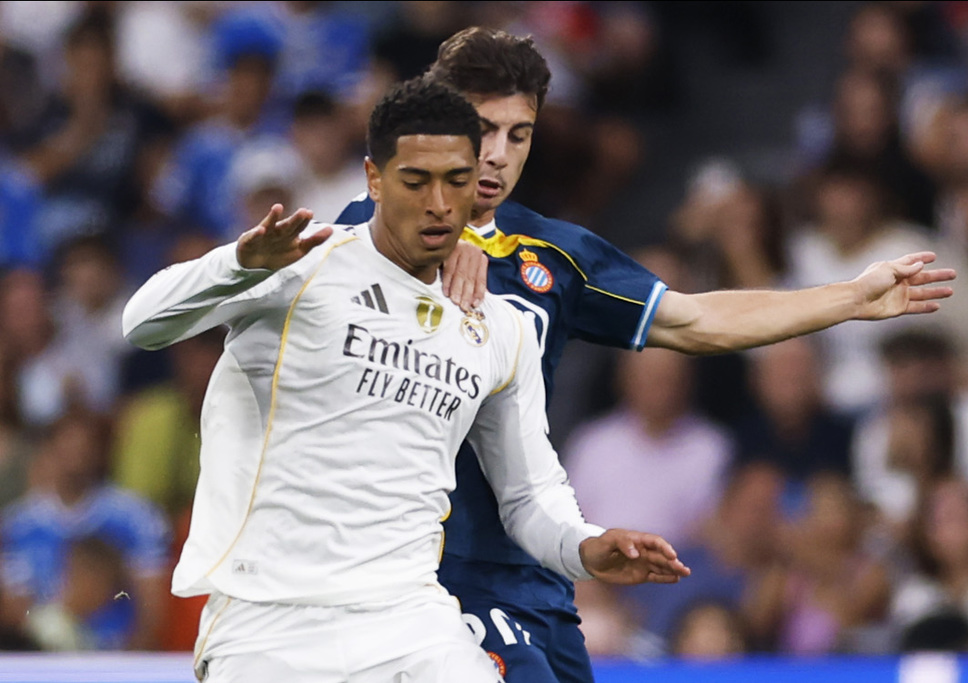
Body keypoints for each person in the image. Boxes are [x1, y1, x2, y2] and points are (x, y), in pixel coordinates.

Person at [337, 26, 956, 683]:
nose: (497, 156)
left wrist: (849, 297)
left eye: (518, 135)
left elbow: (697, 320)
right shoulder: (355, 240)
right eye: (483, 129)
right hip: (423, 574)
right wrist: (436, 244)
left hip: (532, 574)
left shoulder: (556, 255)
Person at [122, 77, 689, 682]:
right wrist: (238, 263)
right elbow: (143, 323)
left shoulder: (501, 327)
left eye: (456, 180)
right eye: (417, 181)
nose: (440, 203)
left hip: (409, 619)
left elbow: (528, 493)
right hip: (269, 622)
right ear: (374, 179)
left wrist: (585, 546)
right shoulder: (303, 265)